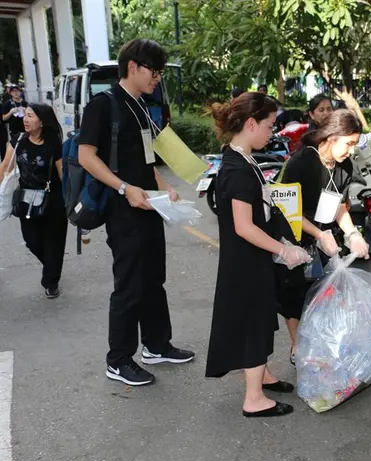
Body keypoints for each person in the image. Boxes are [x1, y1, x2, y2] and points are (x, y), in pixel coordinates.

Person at [78, 38, 195, 387]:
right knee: (129, 286)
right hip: (123, 209)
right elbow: (86, 156)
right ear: (133, 66)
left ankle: (156, 345)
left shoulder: (141, 105)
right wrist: (123, 188)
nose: (157, 78)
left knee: (153, 280)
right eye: (154, 71)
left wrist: (164, 185)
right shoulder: (103, 105)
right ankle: (118, 360)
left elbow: (145, 159)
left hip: (149, 205)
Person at [206, 92, 309, 417]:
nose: (271, 132)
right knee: (254, 323)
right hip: (246, 260)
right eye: (269, 125)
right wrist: (284, 250)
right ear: (251, 124)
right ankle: (253, 399)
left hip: (251, 258)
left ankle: (261, 374)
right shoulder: (237, 168)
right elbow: (244, 226)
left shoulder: (241, 158)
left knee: (262, 319)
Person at [280, 109, 368, 365]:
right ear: (331, 137)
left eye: (355, 144)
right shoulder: (301, 163)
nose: (351, 150)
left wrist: (352, 234)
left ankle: (322, 345)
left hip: (326, 237)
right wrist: (318, 234)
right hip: (296, 236)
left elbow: (339, 206)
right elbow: (288, 210)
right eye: (349, 143)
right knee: (294, 296)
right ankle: (297, 347)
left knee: (326, 293)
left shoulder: (345, 166)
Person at [0, 104, 67, 298]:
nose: (25, 119)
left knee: (54, 242)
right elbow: (5, 166)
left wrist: (71, 198)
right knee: (32, 241)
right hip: (26, 201)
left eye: (30, 116)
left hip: (53, 201)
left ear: (42, 121)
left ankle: (51, 282)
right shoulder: (18, 141)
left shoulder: (53, 143)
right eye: (25, 115)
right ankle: (52, 266)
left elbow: (62, 173)